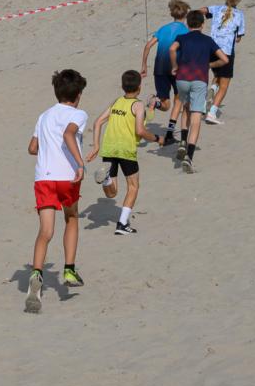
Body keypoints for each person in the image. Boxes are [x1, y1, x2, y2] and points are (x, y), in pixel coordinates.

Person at [26, 69, 89, 313]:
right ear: (78, 94)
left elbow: (32, 148)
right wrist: (80, 163)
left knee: (46, 231)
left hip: (44, 178)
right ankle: (69, 269)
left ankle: (36, 274)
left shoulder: (44, 116)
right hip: (67, 176)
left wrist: (47, 148)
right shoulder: (78, 114)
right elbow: (68, 133)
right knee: (71, 217)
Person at [85, 71, 160, 236]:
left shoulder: (116, 102)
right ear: (139, 87)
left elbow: (97, 122)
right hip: (126, 150)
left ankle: (106, 179)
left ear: (122, 86)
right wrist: (156, 138)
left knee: (112, 193)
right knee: (133, 186)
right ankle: (122, 223)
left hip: (109, 148)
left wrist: (96, 146)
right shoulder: (138, 105)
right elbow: (140, 130)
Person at [169, 10, 229, 174]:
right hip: (199, 80)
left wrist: (174, 66)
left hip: (182, 78)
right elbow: (224, 59)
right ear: (203, 24)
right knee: (196, 117)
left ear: (188, 24)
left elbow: (172, 49)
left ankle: (182, 141)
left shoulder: (182, 38)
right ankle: (189, 156)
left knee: (185, 108)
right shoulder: (208, 40)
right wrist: (210, 65)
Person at [141, 0, 189, 147]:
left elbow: (148, 46)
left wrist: (144, 65)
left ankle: (154, 102)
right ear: (185, 14)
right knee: (178, 101)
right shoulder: (185, 31)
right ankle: (170, 132)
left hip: (159, 69)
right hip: (176, 69)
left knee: (165, 104)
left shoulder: (163, 28)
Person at [205, 0, 245, 125]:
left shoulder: (216, 8)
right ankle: (212, 113)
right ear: (238, 0)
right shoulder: (239, 14)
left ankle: (211, 91)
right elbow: (238, 38)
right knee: (224, 85)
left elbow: (203, 10)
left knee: (217, 75)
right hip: (226, 51)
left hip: (212, 49)